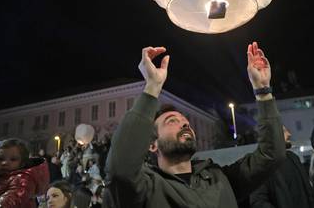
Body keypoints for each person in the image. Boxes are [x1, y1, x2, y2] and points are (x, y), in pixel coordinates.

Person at [105, 42, 285, 207]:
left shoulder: (221, 179)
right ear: (152, 145)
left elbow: (271, 154)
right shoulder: (145, 188)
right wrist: (152, 86)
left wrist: (263, 91)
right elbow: (120, 169)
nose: (185, 125)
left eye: (185, 121)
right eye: (172, 121)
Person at [250, 125, 314, 208]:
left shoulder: (293, 157)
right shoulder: (260, 166)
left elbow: (309, 193)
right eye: (283, 131)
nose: (289, 134)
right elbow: (258, 201)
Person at [0, 138, 49, 208]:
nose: (5, 163)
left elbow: (10, 201)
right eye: (0, 159)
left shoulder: (22, 180)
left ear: (22, 163)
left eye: (13, 159)